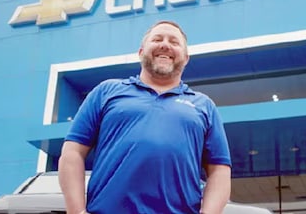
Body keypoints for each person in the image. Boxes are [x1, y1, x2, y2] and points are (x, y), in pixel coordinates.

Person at [58, 21, 232, 214]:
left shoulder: (204, 105)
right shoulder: (106, 91)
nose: (165, 45)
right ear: (141, 52)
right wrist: (76, 211)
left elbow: (220, 170)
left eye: (174, 42)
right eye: (157, 39)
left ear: (186, 58)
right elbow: (72, 152)